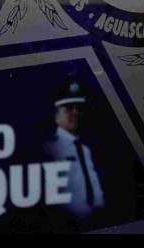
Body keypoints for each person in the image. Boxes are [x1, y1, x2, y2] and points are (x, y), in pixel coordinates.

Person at [41, 80, 105, 228]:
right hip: (71, 223)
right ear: (56, 115)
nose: (75, 113)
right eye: (68, 108)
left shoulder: (86, 147)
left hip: (99, 220)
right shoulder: (51, 148)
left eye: (78, 108)